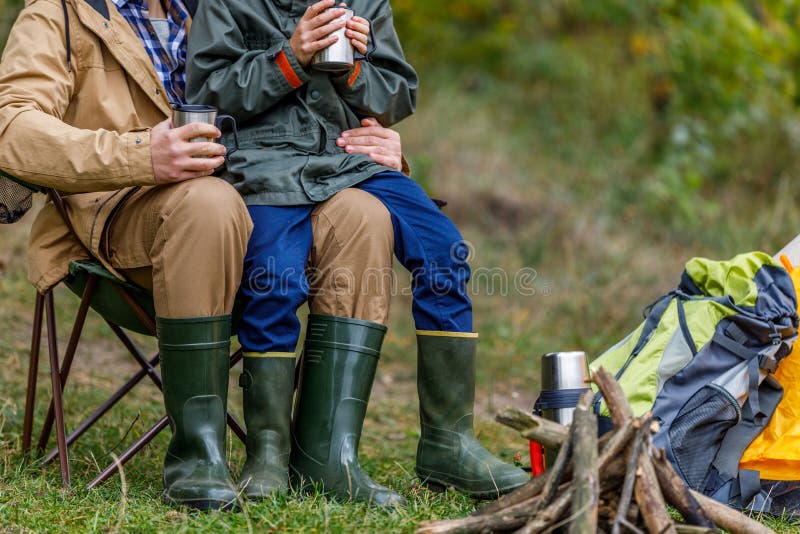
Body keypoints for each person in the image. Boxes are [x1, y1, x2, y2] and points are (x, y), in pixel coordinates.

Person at [0, 0, 404, 511]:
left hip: (256, 209)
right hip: (120, 221)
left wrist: (376, 149)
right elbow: (10, 129)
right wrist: (141, 154)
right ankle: (199, 459)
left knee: (360, 213)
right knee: (208, 203)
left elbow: (303, 107)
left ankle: (326, 456)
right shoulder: (57, 14)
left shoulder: (217, 10)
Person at [186, 0, 529, 507]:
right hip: (262, 167)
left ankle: (447, 442)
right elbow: (207, 92)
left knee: (444, 251)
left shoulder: (367, 4)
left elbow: (398, 96)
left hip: (348, 160)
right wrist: (291, 57)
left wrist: (353, 70)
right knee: (273, 277)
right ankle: (268, 455)